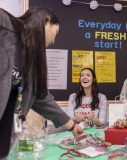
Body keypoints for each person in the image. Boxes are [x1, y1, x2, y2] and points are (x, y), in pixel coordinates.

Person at [0, 6, 83, 158]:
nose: (54, 40)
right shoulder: (4, 24)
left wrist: (71, 125)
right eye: (55, 33)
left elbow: (40, 96)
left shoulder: (31, 59)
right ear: (46, 21)